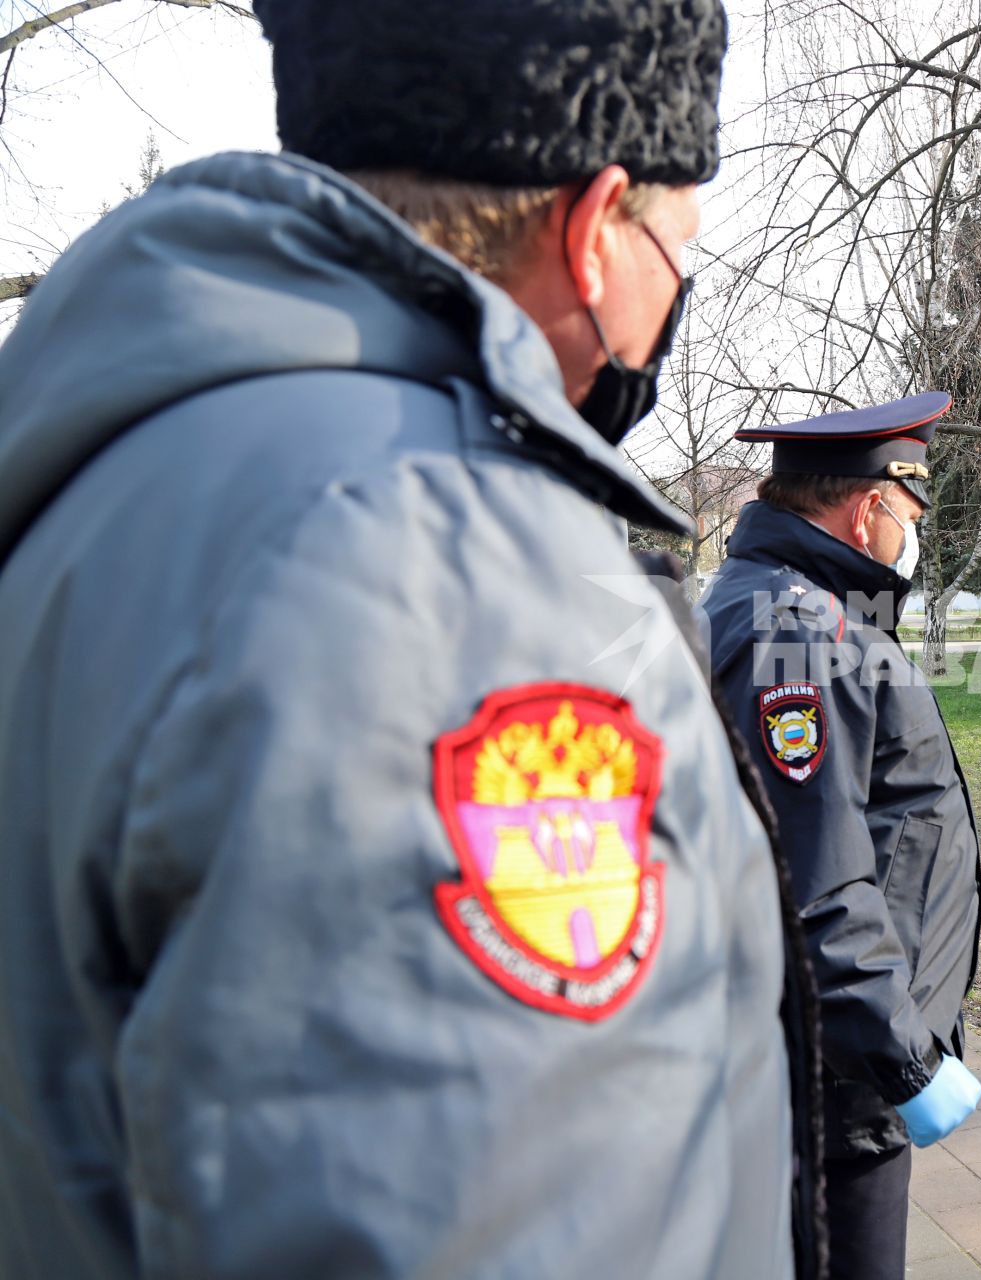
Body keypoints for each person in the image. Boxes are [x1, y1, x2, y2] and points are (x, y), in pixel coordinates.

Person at [0, 2, 824, 1277]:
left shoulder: (114, 473)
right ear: (595, 228)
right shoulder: (450, 574)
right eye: (679, 241)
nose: (676, 298)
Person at [702, 394, 981, 1280]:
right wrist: (905, 1062)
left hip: (823, 1051)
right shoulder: (799, 630)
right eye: (910, 512)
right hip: (835, 1069)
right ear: (870, 510)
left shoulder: (796, 610)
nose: (912, 535)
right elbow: (812, 876)